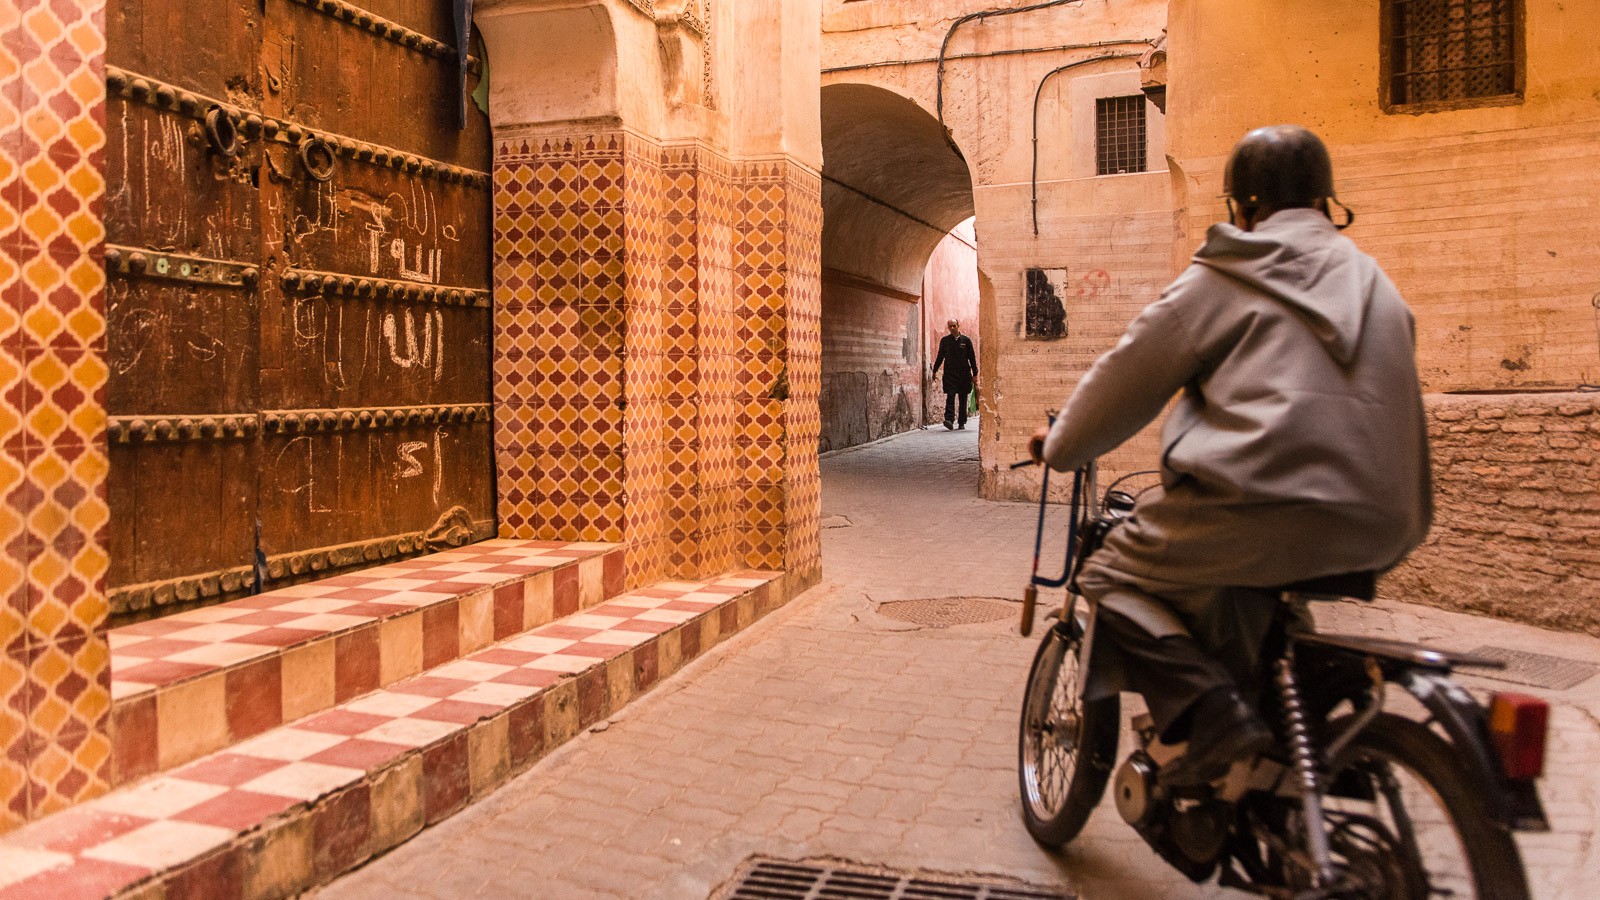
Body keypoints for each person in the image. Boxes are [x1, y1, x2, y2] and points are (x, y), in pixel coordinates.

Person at [1027, 125, 1432, 785]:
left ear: (1241, 206)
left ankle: (1213, 712)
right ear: (1328, 202)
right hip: (1389, 519)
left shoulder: (1228, 273)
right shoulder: (1374, 281)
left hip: (1269, 507)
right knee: (1263, 608)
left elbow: (1124, 380)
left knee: (1106, 570)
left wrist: (1064, 444)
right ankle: (1279, 760)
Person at [931, 319, 979, 430]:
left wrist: (975, 374)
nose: (952, 328)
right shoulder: (945, 341)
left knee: (963, 398)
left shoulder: (966, 341)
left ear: (958, 326)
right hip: (950, 374)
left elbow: (972, 358)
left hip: (964, 374)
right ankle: (949, 419)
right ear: (948, 327)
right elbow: (940, 357)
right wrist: (935, 370)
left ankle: (961, 421)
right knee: (950, 395)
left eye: (954, 326)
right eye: (950, 326)